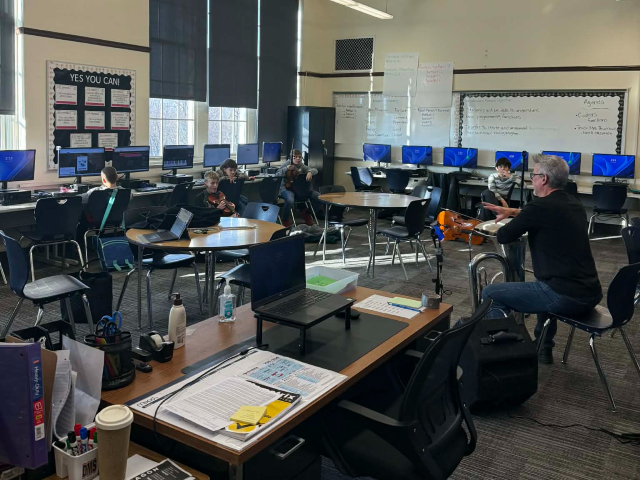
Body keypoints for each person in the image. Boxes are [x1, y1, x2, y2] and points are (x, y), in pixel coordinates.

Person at [481, 154, 602, 365]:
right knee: (543, 281)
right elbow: (544, 215)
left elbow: (504, 236)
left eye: (534, 176)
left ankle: (506, 356)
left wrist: (516, 215)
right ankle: (543, 347)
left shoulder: (538, 207)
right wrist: (516, 211)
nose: (532, 180)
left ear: (544, 179)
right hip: (590, 292)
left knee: (490, 294)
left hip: (564, 296)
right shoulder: (574, 203)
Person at [276, 149, 320, 227]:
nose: (298, 159)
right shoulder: (286, 164)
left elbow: (315, 170)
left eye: (299, 157)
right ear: (291, 158)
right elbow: (276, 175)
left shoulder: (301, 166)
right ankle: (285, 219)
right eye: (295, 157)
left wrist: (310, 172)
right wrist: (286, 169)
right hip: (286, 188)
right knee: (290, 200)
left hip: (299, 189)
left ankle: (306, 212)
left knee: (319, 196)